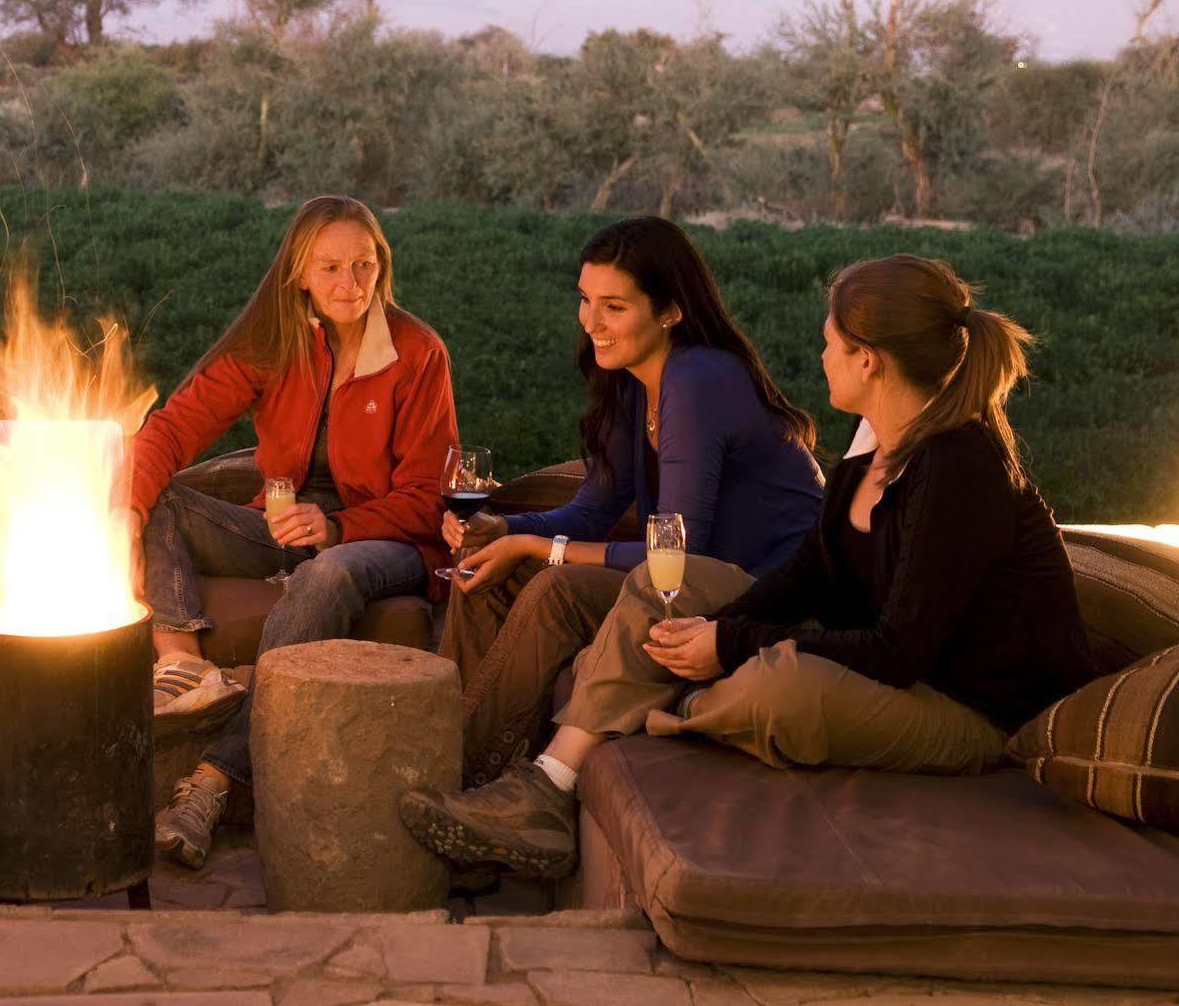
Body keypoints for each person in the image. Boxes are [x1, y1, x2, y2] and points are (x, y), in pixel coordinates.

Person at [401, 254, 1095, 878]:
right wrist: (716, 622)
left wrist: (728, 643)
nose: (819, 356)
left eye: (829, 344)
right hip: (875, 654)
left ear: (867, 361)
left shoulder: (957, 465)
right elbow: (810, 571)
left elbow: (900, 649)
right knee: (661, 583)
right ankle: (547, 785)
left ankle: (633, 699)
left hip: (965, 706)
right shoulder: (871, 445)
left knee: (777, 691)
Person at [131, 194, 458, 868]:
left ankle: (213, 781)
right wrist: (120, 514)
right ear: (298, 274)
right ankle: (181, 663)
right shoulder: (274, 345)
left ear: (381, 268)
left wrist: (337, 524)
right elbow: (171, 428)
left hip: (383, 539)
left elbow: (427, 498)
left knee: (327, 571)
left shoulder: (415, 352)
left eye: (364, 266)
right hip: (278, 526)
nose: (350, 285)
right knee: (158, 498)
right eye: (331, 267)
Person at [441, 216, 823, 785]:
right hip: (690, 573)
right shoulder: (631, 380)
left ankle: (476, 778)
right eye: (585, 299)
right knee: (483, 572)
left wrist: (536, 546)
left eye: (614, 307)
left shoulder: (698, 380)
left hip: (766, 586)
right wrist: (504, 530)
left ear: (670, 311)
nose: (591, 322)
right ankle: (452, 754)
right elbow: (590, 510)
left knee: (555, 589)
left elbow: (677, 551)